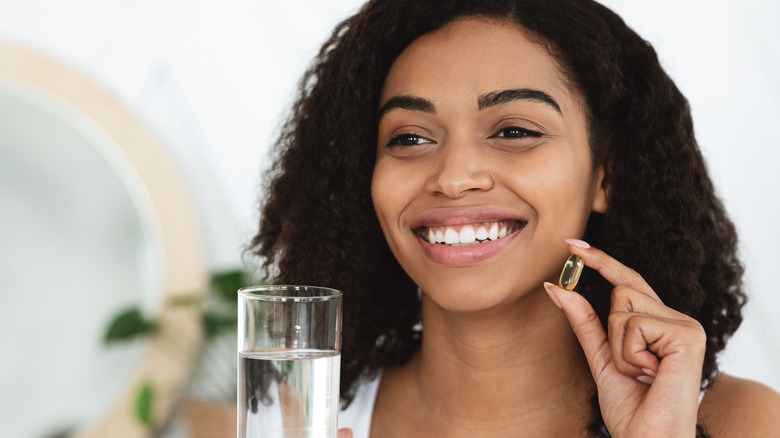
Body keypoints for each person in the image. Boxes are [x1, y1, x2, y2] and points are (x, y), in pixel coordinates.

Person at [250, 0, 780, 436]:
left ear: (607, 174)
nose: (454, 177)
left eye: (514, 131)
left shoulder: (739, 423)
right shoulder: (293, 422)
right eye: (409, 137)